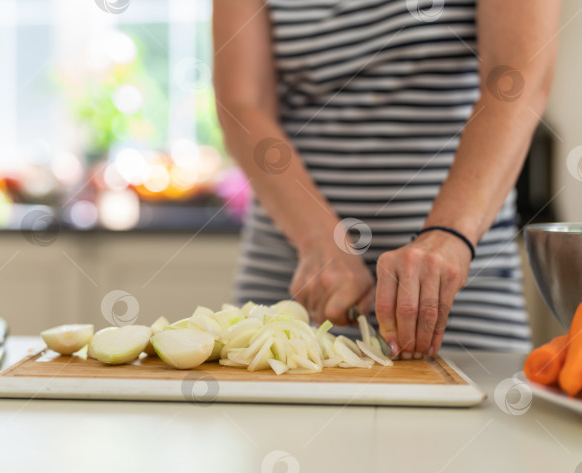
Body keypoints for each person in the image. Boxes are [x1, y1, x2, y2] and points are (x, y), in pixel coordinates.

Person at [213, 0, 560, 358]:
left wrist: (448, 236)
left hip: (462, 291)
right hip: (294, 279)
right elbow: (241, 104)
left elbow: (520, 76)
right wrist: (318, 240)